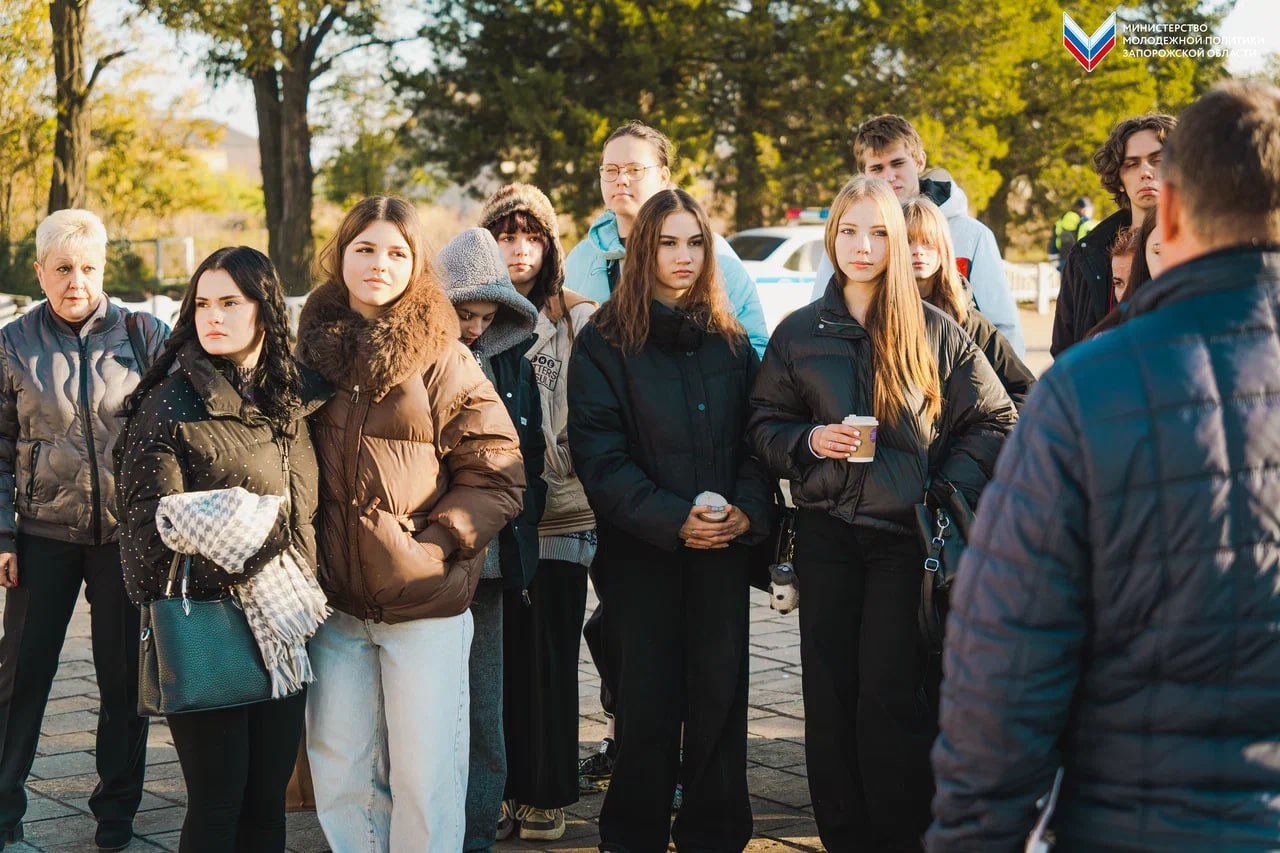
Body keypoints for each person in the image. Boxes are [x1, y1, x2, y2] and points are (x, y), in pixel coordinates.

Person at [928, 79, 1280, 851]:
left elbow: (1006, 661)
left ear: (1173, 214)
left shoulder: (1086, 391)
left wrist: (973, 834)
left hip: (1139, 820)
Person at [748, 176, 1016, 852]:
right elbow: (761, 425)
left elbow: (995, 417)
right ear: (831, 238)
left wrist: (938, 489)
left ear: (896, 242)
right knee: (830, 695)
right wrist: (809, 440)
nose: (861, 246)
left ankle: (901, 835)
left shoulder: (936, 330)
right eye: (848, 231)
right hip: (826, 534)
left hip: (906, 540)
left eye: (876, 232)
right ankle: (843, 835)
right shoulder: (798, 333)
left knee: (889, 695)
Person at [296, 196, 526, 852]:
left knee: (426, 778)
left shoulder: (444, 355)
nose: (378, 263)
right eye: (365, 248)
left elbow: (498, 470)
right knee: (341, 771)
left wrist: (436, 545)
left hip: (425, 603)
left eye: (396, 252)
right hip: (333, 606)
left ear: (417, 265)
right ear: (341, 254)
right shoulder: (308, 353)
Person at [565, 120, 769, 789]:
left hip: (723, 553)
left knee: (719, 703)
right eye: (667, 242)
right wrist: (673, 518)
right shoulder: (604, 342)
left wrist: (746, 513)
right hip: (641, 553)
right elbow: (600, 455)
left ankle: (716, 830)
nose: (683, 255)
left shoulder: (731, 341)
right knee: (647, 710)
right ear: (642, 250)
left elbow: (755, 440)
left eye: (695, 242)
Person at [116, 246, 330, 852]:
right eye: (203, 303)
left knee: (268, 804)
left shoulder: (292, 398)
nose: (213, 316)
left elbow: (308, 512)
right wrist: (254, 552)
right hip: (207, 625)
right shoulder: (168, 404)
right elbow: (143, 536)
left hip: (288, 624)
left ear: (263, 309)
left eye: (230, 303)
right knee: (217, 804)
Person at [0, 209, 166, 852]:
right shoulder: (13, 344)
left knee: (124, 678)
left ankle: (116, 813)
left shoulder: (145, 334)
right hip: (44, 533)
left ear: (104, 268)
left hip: (127, 539)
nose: (77, 281)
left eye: (88, 268)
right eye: (63, 268)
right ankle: (5, 807)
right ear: (39, 271)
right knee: (21, 675)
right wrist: (4, 537)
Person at [480, 184, 596, 842]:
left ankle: (547, 791)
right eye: (505, 233)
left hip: (562, 517)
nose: (518, 247)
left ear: (550, 244)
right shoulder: (472, 317)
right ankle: (500, 786)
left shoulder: (578, 320)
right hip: (496, 521)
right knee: (499, 664)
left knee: (550, 657)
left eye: (531, 235)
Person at [437, 226, 547, 851]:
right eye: (464, 312)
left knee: (486, 717)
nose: (475, 327)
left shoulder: (513, 366)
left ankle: (476, 834)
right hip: (433, 568)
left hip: (499, 568)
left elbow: (525, 463)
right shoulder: (416, 368)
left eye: (486, 315)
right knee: (431, 717)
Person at [810, 114, 1026, 356]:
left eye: (898, 163)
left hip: (955, 377)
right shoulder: (847, 237)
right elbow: (822, 313)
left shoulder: (972, 235)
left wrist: (995, 390)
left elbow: (1003, 328)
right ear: (863, 172)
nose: (889, 176)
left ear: (920, 161)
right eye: (877, 168)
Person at [564, 121, 768, 357]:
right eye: (611, 170)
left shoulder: (709, 252)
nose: (621, 179)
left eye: (634, 169)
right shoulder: (583, 257)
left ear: (663, 176)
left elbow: (755, 345)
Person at [1051, 113, 1176, 356]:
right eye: (1132, 164)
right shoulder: (1086, 255)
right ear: (1118, 179)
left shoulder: (1208, 248)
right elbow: (1064, 348)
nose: (1146, 172)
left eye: (1157, 160)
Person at [902, 197, 1036, 409]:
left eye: (928, 241)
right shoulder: (874, 315)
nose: (918, 251)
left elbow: (1024, 391)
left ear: (943, 247)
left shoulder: (969, 321)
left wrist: (989, 438)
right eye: (908, 241)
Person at [1050, 196, 1096, 273]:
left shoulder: (1062, 220)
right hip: (1080, 261)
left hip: (1063, 260)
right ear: (1080, 209)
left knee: (1066, 284)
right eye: (1087, 210)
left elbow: (1054, 243)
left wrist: (1056, 264)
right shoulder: (1085, 222)